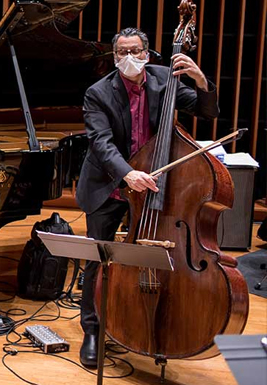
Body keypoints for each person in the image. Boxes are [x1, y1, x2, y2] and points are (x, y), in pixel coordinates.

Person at [75, 27, 219, 367]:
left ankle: (152, 320)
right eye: (121, 53)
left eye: (135, 51)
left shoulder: (163, 80)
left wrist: (200, 79)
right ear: (113, 57)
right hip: (110, 184)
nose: (129, 58)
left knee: (158, 254)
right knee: (99, 258)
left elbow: (207, 111)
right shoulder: (98, 93)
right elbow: (101, 143)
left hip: (156, 187)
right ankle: (92, 330)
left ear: (148, 53)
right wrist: (127, 173)